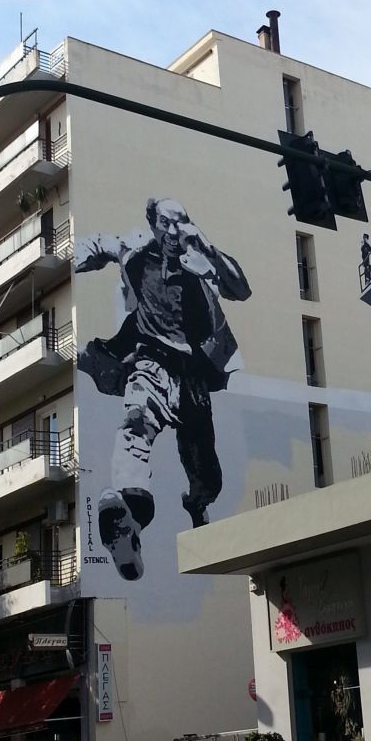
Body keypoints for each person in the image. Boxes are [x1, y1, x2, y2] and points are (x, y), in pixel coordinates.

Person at [75, 198, 252, 580]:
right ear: (153, 225)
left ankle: (197, 504)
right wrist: (67, 260)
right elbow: (101, 245)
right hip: (149, 365)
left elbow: (241, 289)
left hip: (194, 377)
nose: (173, 232)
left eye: (180, 223)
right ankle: (130, 519)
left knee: (207, 474)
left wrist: (207, 246)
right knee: (134, 426)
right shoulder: (137, 250)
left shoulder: (201, 261)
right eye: (165, 224)